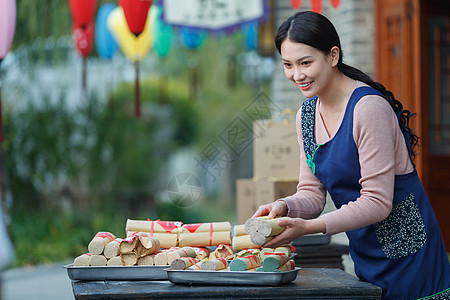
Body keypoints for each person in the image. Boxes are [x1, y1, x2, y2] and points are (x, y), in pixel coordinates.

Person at [252, 11, 450, 300]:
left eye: (306, 62)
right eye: (288, 65)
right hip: (366, 250)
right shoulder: (306, 117)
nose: (298, 75)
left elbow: (377, 202)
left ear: (333, 56)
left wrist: (309, 228)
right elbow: (311, 194)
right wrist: (284, 207)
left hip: (411, 256)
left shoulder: (367, 108)